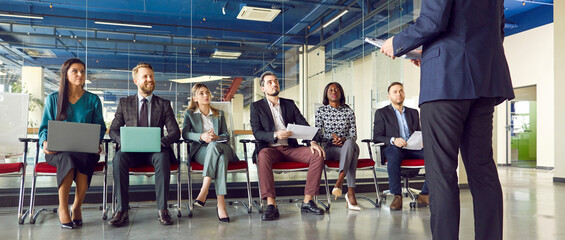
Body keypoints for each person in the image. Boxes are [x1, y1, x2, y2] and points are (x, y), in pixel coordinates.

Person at [380, 0, 514, 239]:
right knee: (483, 170)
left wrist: (397, 43)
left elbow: (433, 20)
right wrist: (431, 51)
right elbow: (497, 30)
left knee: (441, 172)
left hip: (445, 82)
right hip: (485, 78)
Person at [108, 63, 180, 227]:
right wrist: (124, 142)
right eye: (145, 76)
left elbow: (174, 131)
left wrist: (159, 143)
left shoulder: (164, 104)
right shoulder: (125, 103)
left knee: (163, 158)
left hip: (155, 151)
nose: (150, 79)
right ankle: (121, 210)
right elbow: (113, 131)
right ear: (135, 80)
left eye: (151, 76)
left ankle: (163, 209)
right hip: (131, 151)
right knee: (118, 158)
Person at [38, 58, 106, 229]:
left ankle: (76, 206)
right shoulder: (54, 99)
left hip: (85, 151)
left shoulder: (93, 100)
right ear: (66, 74)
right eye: (75, 71)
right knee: (68, 158)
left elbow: (100, 127)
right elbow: (44, 127)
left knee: (82, 157)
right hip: (58, 153)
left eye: (82, 71)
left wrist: (96, 141)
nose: (80, 74)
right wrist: (45, 142)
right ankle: (63, 207)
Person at [250, 71, 326, 221]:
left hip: (291, 148)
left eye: (276, 81)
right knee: (263, 155)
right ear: (263, 88)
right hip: (271, 149)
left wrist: (312, 141)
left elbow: (304, 125)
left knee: (317, 154)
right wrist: (275, 135)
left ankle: (307, 201)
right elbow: (257, 133)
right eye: (269, 82)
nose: (274, 84)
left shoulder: (289, 104)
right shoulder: (256, 107)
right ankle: (271, 204)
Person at [182, 83, 238, 223]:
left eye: (207, 92)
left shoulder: (219, 114)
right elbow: (185, 133)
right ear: (195, 98)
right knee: (221, 159)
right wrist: (202, 136)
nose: (206, 95)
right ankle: (221, 204)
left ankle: (204, 189)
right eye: (201, 93)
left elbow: (226, 135)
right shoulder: (190, 114)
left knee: (216, 146)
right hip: (201, 151)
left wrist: (216, 137)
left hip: (223, 147)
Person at [373, 82, 429, 211]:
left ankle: (424, 194)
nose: (399, 94)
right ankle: (397, 195)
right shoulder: (382, 113)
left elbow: (418, 131)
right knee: (394, 152)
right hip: (393, 148)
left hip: (413, 148)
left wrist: (423, 140)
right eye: (395, 91)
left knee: (434, 153)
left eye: (401, 91)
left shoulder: (413, 112)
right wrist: (393, 140)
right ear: (389, 96)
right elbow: (377, 136)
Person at [314, 82, 360, 211]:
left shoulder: (348, 111)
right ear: (326, 94)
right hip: (330, 149)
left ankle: (339, 181)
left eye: (337, 90)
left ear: (341, 93)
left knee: (350, 145)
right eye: (330, 90)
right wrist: (332, 139)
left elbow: (354, 134)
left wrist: (343, 139)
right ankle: (350, 192)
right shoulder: (321, 111)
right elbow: (317, 135)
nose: (334, 92)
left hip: (347, 145)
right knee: (352, 155)